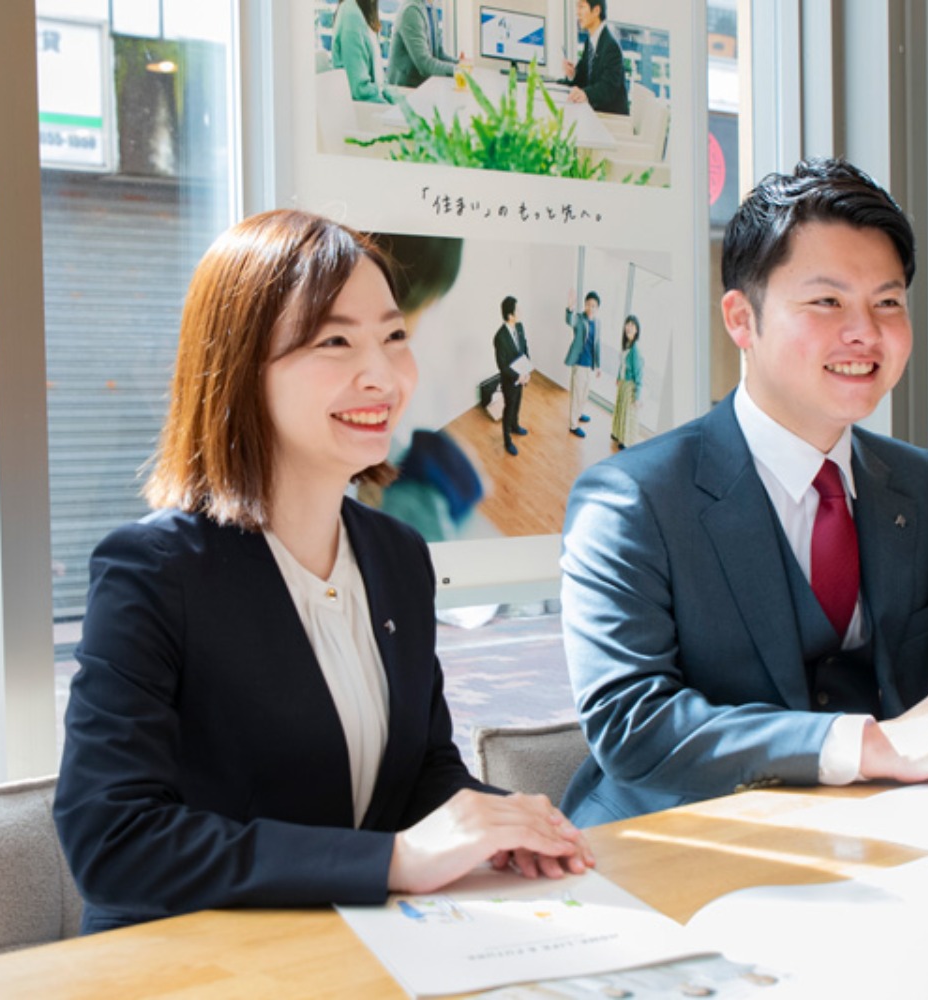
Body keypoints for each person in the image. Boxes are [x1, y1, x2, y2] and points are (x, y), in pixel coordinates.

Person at [54, 210, 591, 933]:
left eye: (393, 338)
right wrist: (396, 860)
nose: (383, 376)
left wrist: (496, 823)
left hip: (358, 941)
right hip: (194, 960)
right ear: (240, 366)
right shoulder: (153, 572)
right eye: (335, 342)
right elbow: (113, 842)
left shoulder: (397, 554)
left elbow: (419, 769)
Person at [558, 157, 928, 826]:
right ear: (741, 319)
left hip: (890, 833)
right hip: (679, 844)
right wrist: (870, 745)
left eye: (887, 302)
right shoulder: (631, 500)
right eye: (827, 302)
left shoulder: (926, 484)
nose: (865, 333)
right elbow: (633, 722)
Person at [563, 0, 629, 116]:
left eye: (581, 7)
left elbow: (608, 88)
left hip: (611, 117)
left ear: (596, 11)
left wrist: (585, 94)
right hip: (595, 111)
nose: (577, 13)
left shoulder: (610, 46)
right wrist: (572, 74)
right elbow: (583, 79)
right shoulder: (590, 42)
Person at [388, 0, 460, 89]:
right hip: (405, 90)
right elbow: (424, 65)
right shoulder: (411, 11)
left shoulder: (430, 8)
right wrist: (459, 70)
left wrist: (460, 63)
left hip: (423, 86)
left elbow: (438, 54)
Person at [332, 0, 393, 104]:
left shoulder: (363, 11)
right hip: (362, 109)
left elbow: (380, 83)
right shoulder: (351, 15)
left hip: (372, 105)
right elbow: (359, 91)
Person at [494, 295, 532, 457]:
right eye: (517, 310)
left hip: (522, 377)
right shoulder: (500, 338)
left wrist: (527, 370)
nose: (520, 312)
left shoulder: (520, 327)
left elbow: (525, 349)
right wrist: (518, 377)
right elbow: (502, 366)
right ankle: (507, 440)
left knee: (517, 404)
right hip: (510, 380)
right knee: (509, 408)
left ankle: (515, 426)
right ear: (510, 315)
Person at [564, 288, 602, 438]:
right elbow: (570, 321)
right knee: (577, 394)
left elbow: (597, 345)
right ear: (585, 305)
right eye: (588, 304)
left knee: (585, 393)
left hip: (589, 365)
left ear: (597, 308)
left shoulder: (597, 323)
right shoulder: (580, 319)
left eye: (593, 306)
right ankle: (573, 425)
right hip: (579, 363)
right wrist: (570, 308)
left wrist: (598, 365)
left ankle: (579, 414)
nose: (590, 308)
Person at [611, 314, 643, 450]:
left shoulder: (635, 351)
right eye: (628, 324)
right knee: (619, 409)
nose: (629, 327)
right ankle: (617, 433)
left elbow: (639, 376)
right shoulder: (626, 345)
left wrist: (637, 397)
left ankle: (625, 440)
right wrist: (618, 377)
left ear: (636, 330)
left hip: (630, 386)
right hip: (623, 383)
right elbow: (622, 364)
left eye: (632, 325)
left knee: (627, 413)